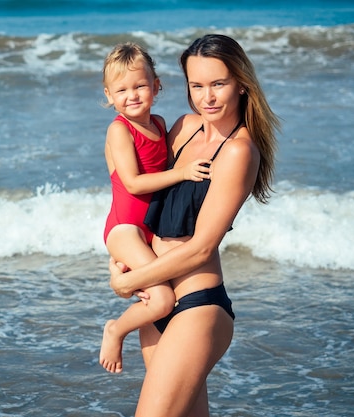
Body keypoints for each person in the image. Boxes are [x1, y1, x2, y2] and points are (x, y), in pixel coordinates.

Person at [108, 34, 280, 416]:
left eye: (218, 84)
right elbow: (139, 196)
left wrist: (130, 281)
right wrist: (119, 253)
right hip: (157, 303)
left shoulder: (238, 151)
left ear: (241, 84)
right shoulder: (184, 127)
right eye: (196, 85)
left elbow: (202, 247)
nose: (208, 97)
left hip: (198, 307)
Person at [100, 42, 211, 374]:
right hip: (124, 228)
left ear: (156, 86)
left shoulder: (160, 124)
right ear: (108, 95)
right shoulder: (120, 130)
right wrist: (182, 173)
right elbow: (132, 183)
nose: (132, 95)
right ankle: (115, 329)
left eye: (140, 86)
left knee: (157, 302)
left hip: (146, 231)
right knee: (162, 300)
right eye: (121, 89)